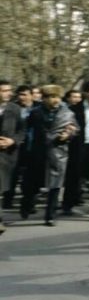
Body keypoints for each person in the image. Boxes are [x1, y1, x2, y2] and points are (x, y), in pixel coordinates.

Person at [21, 85, 78, 226]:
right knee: (31, 184)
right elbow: (26, 130)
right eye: (52, 97)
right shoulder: (36, 113)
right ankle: (26, 205)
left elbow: (75, 129)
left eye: (57, 97)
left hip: (58, 152)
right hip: (37, 152)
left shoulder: (67, 113)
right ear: (44, 98)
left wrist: (68, 134)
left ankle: (50, 215)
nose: (55, 100)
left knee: (55, 185)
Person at [65, 80, 89, 215]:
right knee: (74, 176)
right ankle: (68, 205)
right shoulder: (74, 109)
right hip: (79, 146)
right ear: (86, 93)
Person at [0, 80, 25, 235]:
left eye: (9, 90)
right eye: (3, 90)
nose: (8, 93)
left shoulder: (14, 109)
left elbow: (22, 130)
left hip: (7, 154)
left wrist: (13, 140)